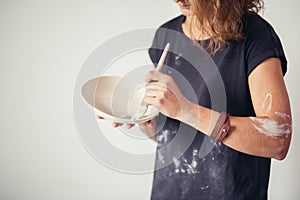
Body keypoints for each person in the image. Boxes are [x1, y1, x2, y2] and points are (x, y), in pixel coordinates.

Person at [98, 0, 292, 199]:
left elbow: (277, 141)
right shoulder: (166, 35)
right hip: (168, 193)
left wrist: (185, 110)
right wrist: (142, 118)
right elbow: (168, 136)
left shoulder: (255, 35)